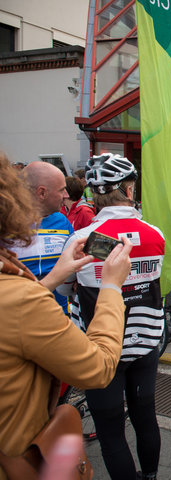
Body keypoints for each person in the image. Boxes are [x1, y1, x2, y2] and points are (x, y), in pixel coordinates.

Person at [0, 152, 131, 474]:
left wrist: (54, 277)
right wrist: (112, 286)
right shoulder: (20, 299)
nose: (67, 196)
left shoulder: (18, 293)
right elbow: (97, 369)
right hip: (20, 455)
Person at [56, 153, 165, 480]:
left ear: (94, 193)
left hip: (100, 349)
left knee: (111, 432)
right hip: (145, 344)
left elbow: (64, 289)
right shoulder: (155, 233)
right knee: (146, 418)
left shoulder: (83, 239)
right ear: (130, 189)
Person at [10, 161, 74, 314]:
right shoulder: (7, 224)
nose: (67, 195)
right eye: (62, 190)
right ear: (42, 193)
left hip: (58, 315)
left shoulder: (62, 221)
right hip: (18, 317)